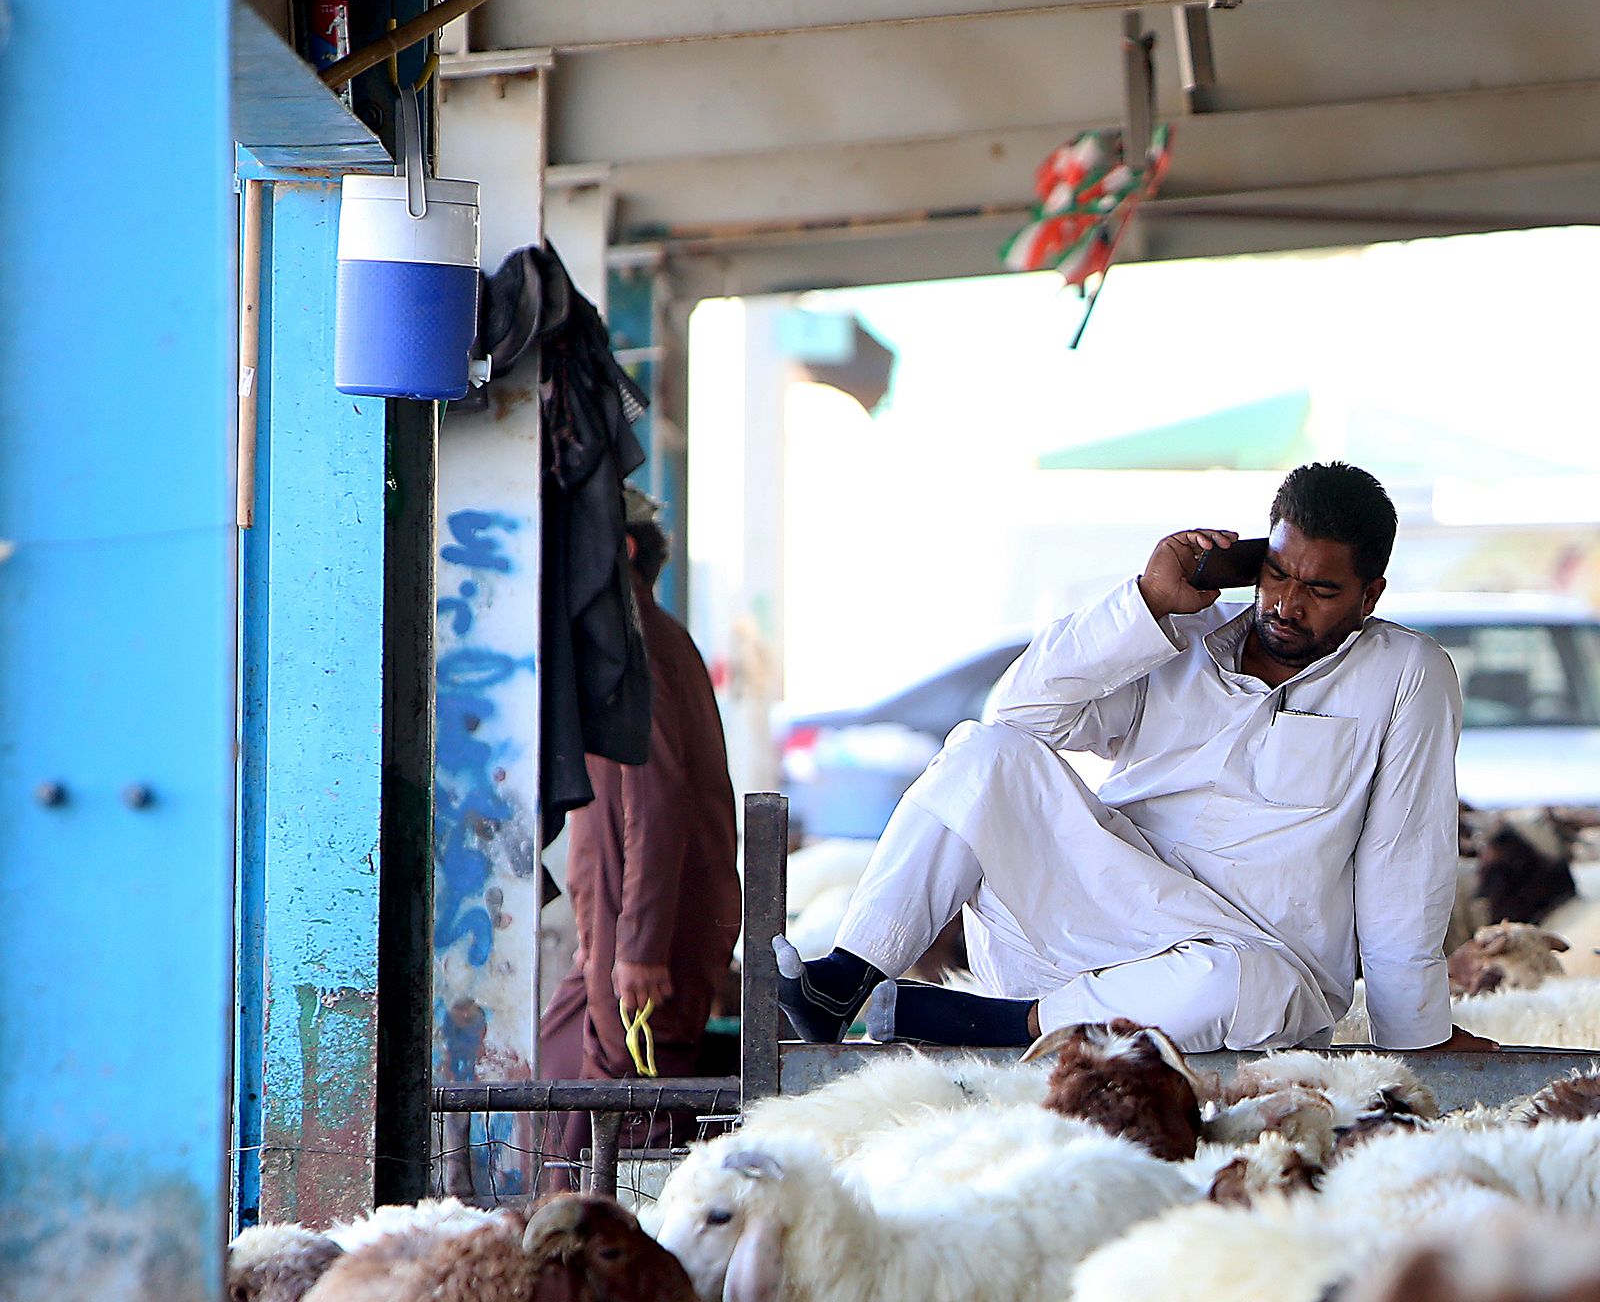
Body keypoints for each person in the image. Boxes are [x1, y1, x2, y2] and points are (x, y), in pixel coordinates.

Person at [780, 460, 1487, 1054]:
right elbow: (1024, 715)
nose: (1287, 604)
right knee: (983, 751)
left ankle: (988, 1026)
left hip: (1245, 962)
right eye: (1276, 575)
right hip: (1105, 915)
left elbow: (1404, 861)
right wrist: (1149, 601)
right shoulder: (1182, 631)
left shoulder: (1407, 673)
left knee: (1236, 987)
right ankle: (845, 979)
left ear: (1371, 595)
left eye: (1321, 590)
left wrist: (1414, 1040)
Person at [537, 491, 742, 1161]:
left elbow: (658, 804)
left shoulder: (639, 652)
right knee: (565, 1075)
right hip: (621, 937)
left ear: (622, 551)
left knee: (633, 1123)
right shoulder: (638, 643)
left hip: (646, 944)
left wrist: (640, 949)